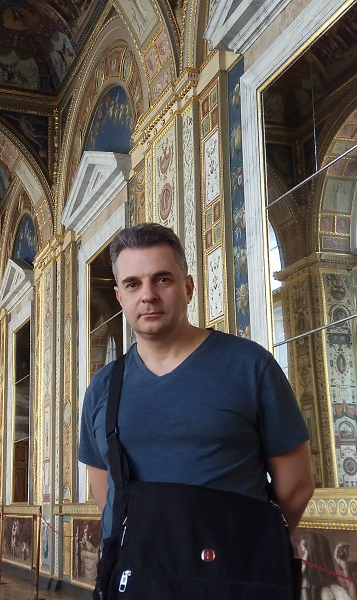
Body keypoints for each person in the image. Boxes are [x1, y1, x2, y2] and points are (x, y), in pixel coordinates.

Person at [78, 223, 314, 565]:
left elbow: (296, 484)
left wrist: (252, 552)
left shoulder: (250, 366)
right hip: (137, 577)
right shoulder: (102, 387)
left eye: (162, 279)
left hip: (232, 578)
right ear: (120, 297)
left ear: (187, 287)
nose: (148, 295)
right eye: (133, 284)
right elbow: (105, 488)